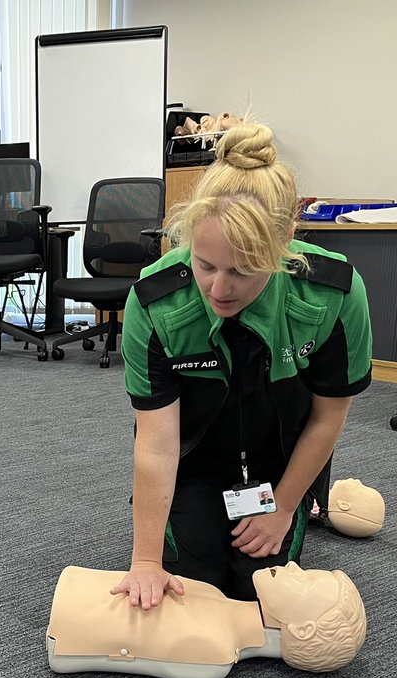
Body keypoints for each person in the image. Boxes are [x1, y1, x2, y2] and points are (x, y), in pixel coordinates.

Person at [114, 121, 373, 607]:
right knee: (195, 591)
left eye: (243, 270)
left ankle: (307, 507)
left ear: (285, 241)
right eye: (205, 264)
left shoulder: (333, 294)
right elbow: (157, 442)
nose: (218, 289)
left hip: (276, 467)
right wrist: (146, 560)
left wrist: (284, 507)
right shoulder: (155, 300)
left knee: (258, 592)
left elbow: (327, 417)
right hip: (192, 464)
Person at [47, 562, 366, 678]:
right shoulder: (217, 601)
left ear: (303, 630)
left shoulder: (216, 652)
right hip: (77, 589)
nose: (294, 565)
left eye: (305, 580)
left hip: (68, 625)